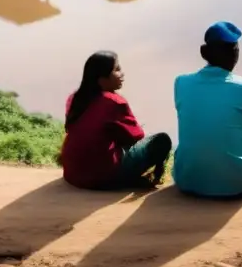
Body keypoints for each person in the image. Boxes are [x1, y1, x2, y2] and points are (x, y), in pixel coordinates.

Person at [172, 21, 242, 199]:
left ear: (204, 52)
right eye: (235, 50)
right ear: (236, 55)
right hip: (236, 187)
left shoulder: (181, 82)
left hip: (187, 181)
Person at [60, 51, 172, 191]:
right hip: (103, 178)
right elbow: (137, 136)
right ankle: (154, 176)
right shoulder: (115, 102)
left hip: (73, 174)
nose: (122, 74)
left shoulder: (74, 98)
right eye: (117, 69)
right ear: (102, 79)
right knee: (162, 140)